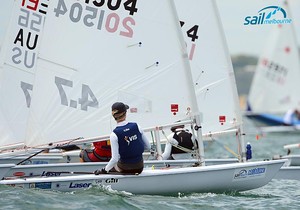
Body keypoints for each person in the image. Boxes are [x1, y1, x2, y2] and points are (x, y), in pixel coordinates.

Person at [94, 102, 150, 175]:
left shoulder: (114, 134)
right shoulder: (137, 126)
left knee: (111, 167)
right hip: (140, 167)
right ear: (125, 113)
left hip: (125, 168)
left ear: (114, 116)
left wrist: (103, 170)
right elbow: (148, 147)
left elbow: (114, 159)